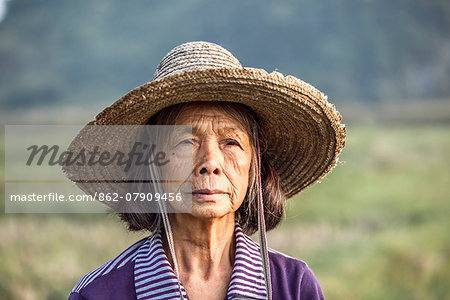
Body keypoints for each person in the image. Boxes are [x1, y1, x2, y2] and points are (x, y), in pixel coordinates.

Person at [64, 41, 346, 300]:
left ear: (254, 165)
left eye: (231, 142)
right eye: (186, 142)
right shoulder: (100, 293)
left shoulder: (293, 286)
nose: (210, 163)